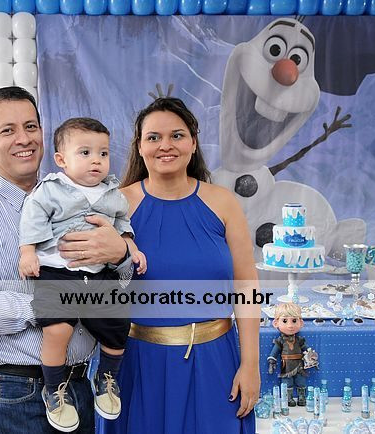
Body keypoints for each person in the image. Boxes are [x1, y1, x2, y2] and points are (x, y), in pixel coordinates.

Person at [0, 86, 131, 434]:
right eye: (7, 130)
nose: (24, 139)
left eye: (31, 127)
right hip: (10, 394)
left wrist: (122, 255)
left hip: (78, 387)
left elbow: (120, 286)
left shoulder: (90, 201)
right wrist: (56, 304)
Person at [98, 97, 260, 434]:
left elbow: (246, 286)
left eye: (177, 135)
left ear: (193, 142)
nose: (165, 145)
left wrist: (251, 364)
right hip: (137, 365)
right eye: (153, 137)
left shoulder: (223, 202)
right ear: (139, 146)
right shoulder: (115, 205)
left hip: (216, 364)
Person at [18, 117, 147, 431]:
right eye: (85, 153)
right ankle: (53, 390)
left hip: (99, 274)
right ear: (61, 160)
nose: (96, 161)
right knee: (58, 330)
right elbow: (32, 218)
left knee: (118, 325)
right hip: (57, 271)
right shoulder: (51, 189)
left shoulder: (112, 194)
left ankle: (106, 378)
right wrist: (28, 252)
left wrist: (130, 246)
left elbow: (122, 224)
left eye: (103, 153)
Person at [268, 302, 309, 407]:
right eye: (285, 321)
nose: (290, 325)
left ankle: (302, 397)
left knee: (301, 381)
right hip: (286, 365)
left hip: (299, 365)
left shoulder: (300, 340)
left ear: (301, 323)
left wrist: (311, 356)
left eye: (294, 321)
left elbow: (307, 350)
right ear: (276, 323)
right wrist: (272, 362)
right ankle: (288, 398)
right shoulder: (280, 340)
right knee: (287, 382)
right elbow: (274, 352)